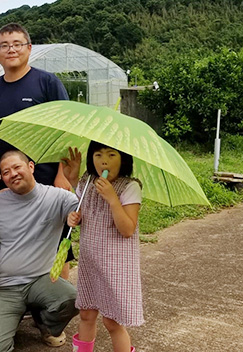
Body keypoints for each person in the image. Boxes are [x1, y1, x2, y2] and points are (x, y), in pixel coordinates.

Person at [0, 22, 75, 279]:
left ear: (29, 48)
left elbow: (65, 129)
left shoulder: (46, 82)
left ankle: (58, 301)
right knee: (18, 237)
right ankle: (27, 294)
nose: (11, 49)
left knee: (56, 239)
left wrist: (62, 174)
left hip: (46, 175)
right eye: (4, 45)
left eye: (17, 44)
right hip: (10, 179)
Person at [0, 150, 79, 352]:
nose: (13, 174)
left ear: (31, 167)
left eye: (17, 167)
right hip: (5, 286)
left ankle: (44, 321)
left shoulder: (57, 197)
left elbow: (86, 209)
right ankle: (2, 315)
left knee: (73, 298)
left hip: (42, 280)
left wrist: (75, 181)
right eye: (6, 172)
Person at [62, 143, 144, 352]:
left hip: (116, 266)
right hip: (90, 263)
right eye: (98, 155)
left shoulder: (129, 187)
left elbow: (127, 229)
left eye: (111, 154)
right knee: (86, 314)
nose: (103, 160)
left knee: (112, 321)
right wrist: (75, 216)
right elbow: (83, 210)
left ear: (123, 159)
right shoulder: (87, 182)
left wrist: (112, 199)